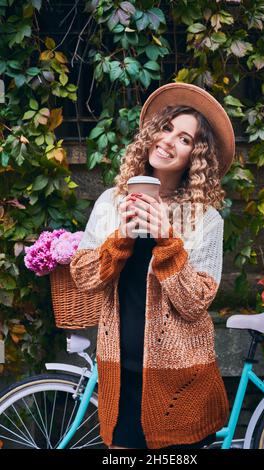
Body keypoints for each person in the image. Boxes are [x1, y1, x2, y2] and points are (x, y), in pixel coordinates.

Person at [69, 82, 235, 449]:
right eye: (166, 128)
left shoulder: (205, 219)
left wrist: (167, 239)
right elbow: (83, 277)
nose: (169, 141)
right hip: (120, 374)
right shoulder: (111, 202)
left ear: (196, 156)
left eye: (185, 139)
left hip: (180, 380)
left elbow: (195, 303)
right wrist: (121, 239)